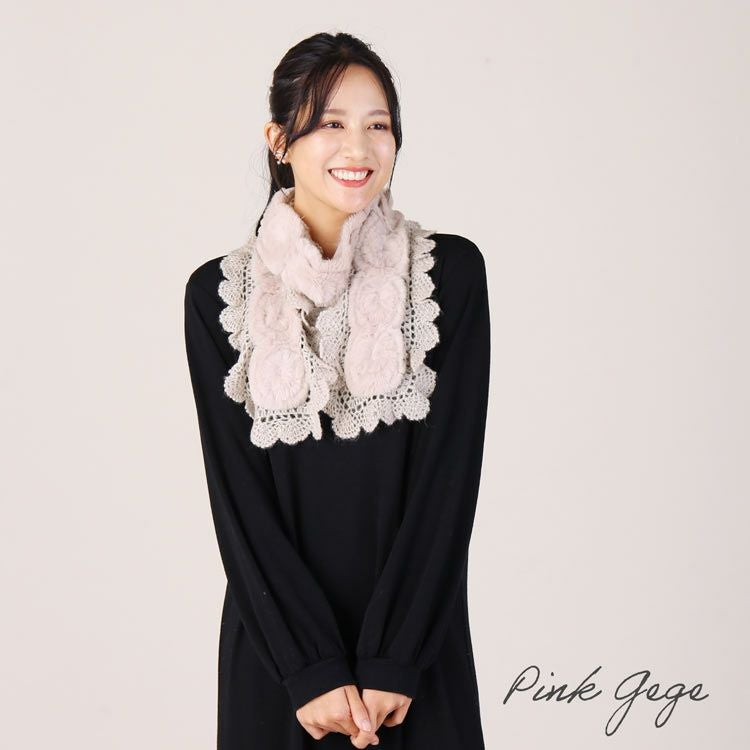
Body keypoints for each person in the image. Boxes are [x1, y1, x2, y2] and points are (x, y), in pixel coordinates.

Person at [184, 31, 491, 749]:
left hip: (415, 663)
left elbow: (449, 481)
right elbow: (238, 502)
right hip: (279, 667)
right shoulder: (218, 297)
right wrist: (309, 668)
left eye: (377, 125)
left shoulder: (449, 277)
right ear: (279, 141)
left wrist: (395, 659)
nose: (358, 147)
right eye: (331, 122)